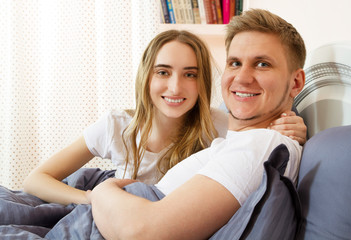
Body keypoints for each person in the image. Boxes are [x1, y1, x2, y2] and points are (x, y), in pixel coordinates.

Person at [88, 8, 307, 239]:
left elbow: (143, 233)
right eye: (234, 63)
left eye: (262, 64)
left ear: (295, 83)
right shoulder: (234, 134)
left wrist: (101, 192)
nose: (242, 78)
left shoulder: (264, 144)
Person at [23, 29, 306, 206]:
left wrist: (296, 126)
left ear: (202, 82)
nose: (175, 87)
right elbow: (36, 179)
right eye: (163, 72)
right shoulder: (117, 126)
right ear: (147, 78)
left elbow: (261, 132)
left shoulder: (217, 124)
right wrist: (89, 198)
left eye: (190, 74)